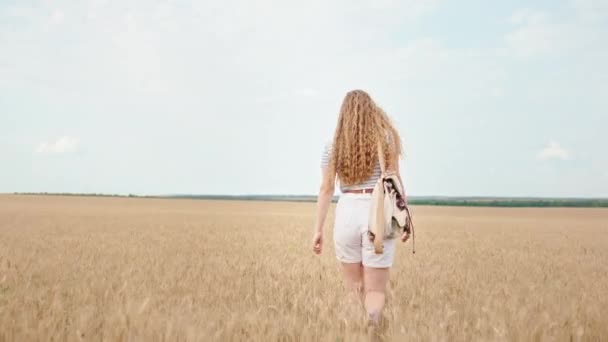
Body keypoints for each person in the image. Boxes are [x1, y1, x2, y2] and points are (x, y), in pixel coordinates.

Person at [311, 89, 411, 333]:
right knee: (375, 290)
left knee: (354, 288)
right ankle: (373, 330)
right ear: (372, 111)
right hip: (377, 213)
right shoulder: (386, 139)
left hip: (346, 212)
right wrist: (405, 217)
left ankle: (354, 334)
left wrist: (318, 229)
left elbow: (326, 189)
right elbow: (395, 180)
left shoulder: (332, 145)